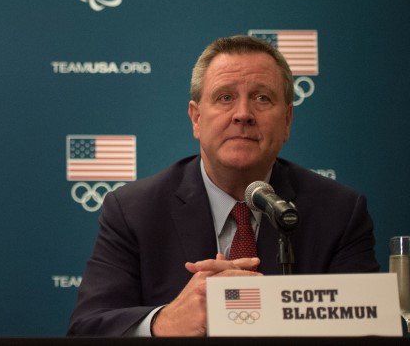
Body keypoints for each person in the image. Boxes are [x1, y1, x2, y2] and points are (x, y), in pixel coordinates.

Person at [67, 34, 379, 337]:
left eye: (262, 98)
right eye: (225, 97)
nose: (243, 114)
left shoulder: (339, 213)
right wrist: (163, 322)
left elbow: (371, 331)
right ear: (196, 119)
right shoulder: (133, 211)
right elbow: (88, 327)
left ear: (287, 121)